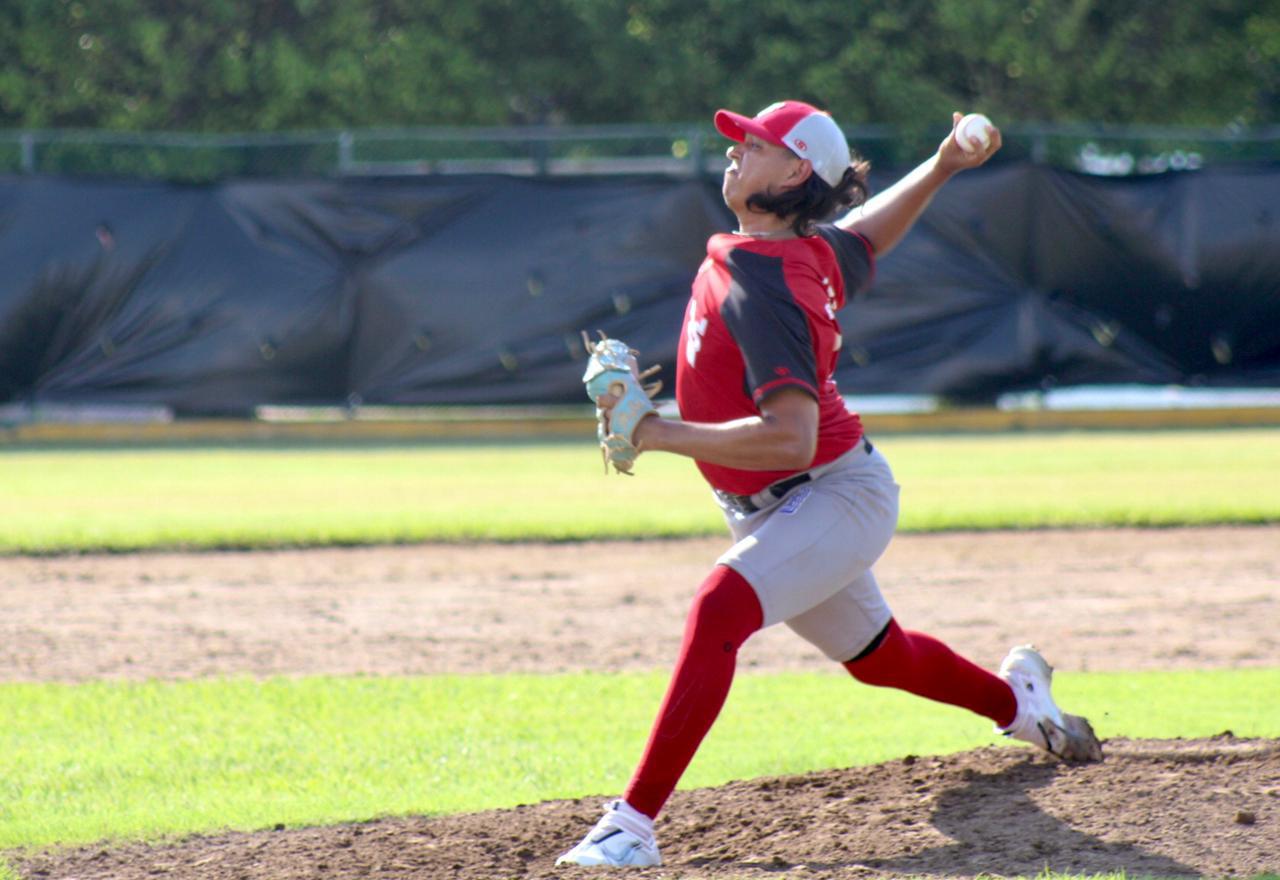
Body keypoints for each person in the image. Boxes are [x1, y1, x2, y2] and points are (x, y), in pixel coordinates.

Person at [556, 100, 1102, 869]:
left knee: (720, 608)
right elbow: (866, 236)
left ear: (796, 172)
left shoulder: (768, 282)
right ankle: (1022, 704)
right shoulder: (795, 250)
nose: (736, 150)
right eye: (740, 141)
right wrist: (942, 164)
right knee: (879, 657)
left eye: (757, 142)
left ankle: (631, 827)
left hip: (834, 491)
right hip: (787, 499)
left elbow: (792, 435)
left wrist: (654, 433)